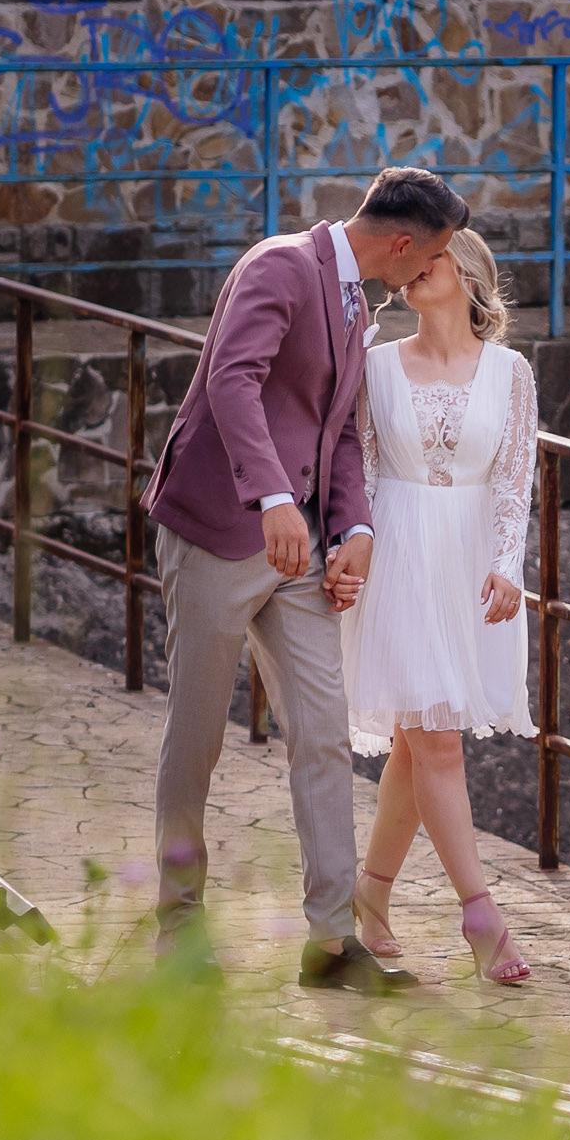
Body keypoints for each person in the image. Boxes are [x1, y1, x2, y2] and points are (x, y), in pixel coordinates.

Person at [145, 165, 467, 989]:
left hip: (299, 553)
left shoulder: (361, 300)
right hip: (218, 530)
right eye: (433, 253)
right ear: (404, 243)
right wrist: (274, 498)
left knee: (323, 732)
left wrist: (353, 527)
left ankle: (330, 944)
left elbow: (341, 430)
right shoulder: (280, 265)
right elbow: (232, 380)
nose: (433, 268)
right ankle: (179, 929)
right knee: (197, 736)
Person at [340, 225, 539, 986]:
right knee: (439, 744)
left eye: (433, 258)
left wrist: (507, 566)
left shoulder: (511, 373)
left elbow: (514, 481)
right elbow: (357, 473)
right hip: (397, 562)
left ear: (468, 275)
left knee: (418, 741)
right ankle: (481, 918)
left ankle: (370, 893)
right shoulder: (376, 365)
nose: (416, 268)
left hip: (470, 571)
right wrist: (347, 548)